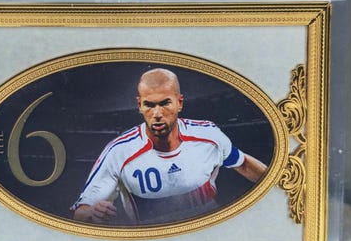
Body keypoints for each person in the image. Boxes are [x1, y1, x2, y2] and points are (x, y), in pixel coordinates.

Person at [72, 68, 268, 224]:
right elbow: (81, 212)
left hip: (208, 235)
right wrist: (92, 213)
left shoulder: (208, 136)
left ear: (179, 102)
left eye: (165, 103)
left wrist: (277, 188)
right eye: (149, 105)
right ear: (139, 105)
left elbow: (243, 164)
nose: (157, 113)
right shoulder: (119, 152)